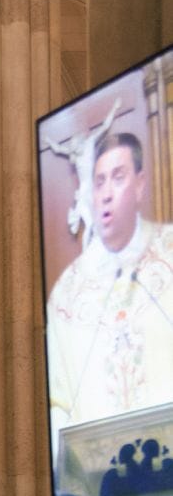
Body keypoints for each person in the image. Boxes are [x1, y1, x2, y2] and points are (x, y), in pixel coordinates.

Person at [47, 131, 173, 453]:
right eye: (99, 181)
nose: (105, 193)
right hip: (101, 491)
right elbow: (57, 403)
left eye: (118, 178)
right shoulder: (67, 294)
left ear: (140, 184)